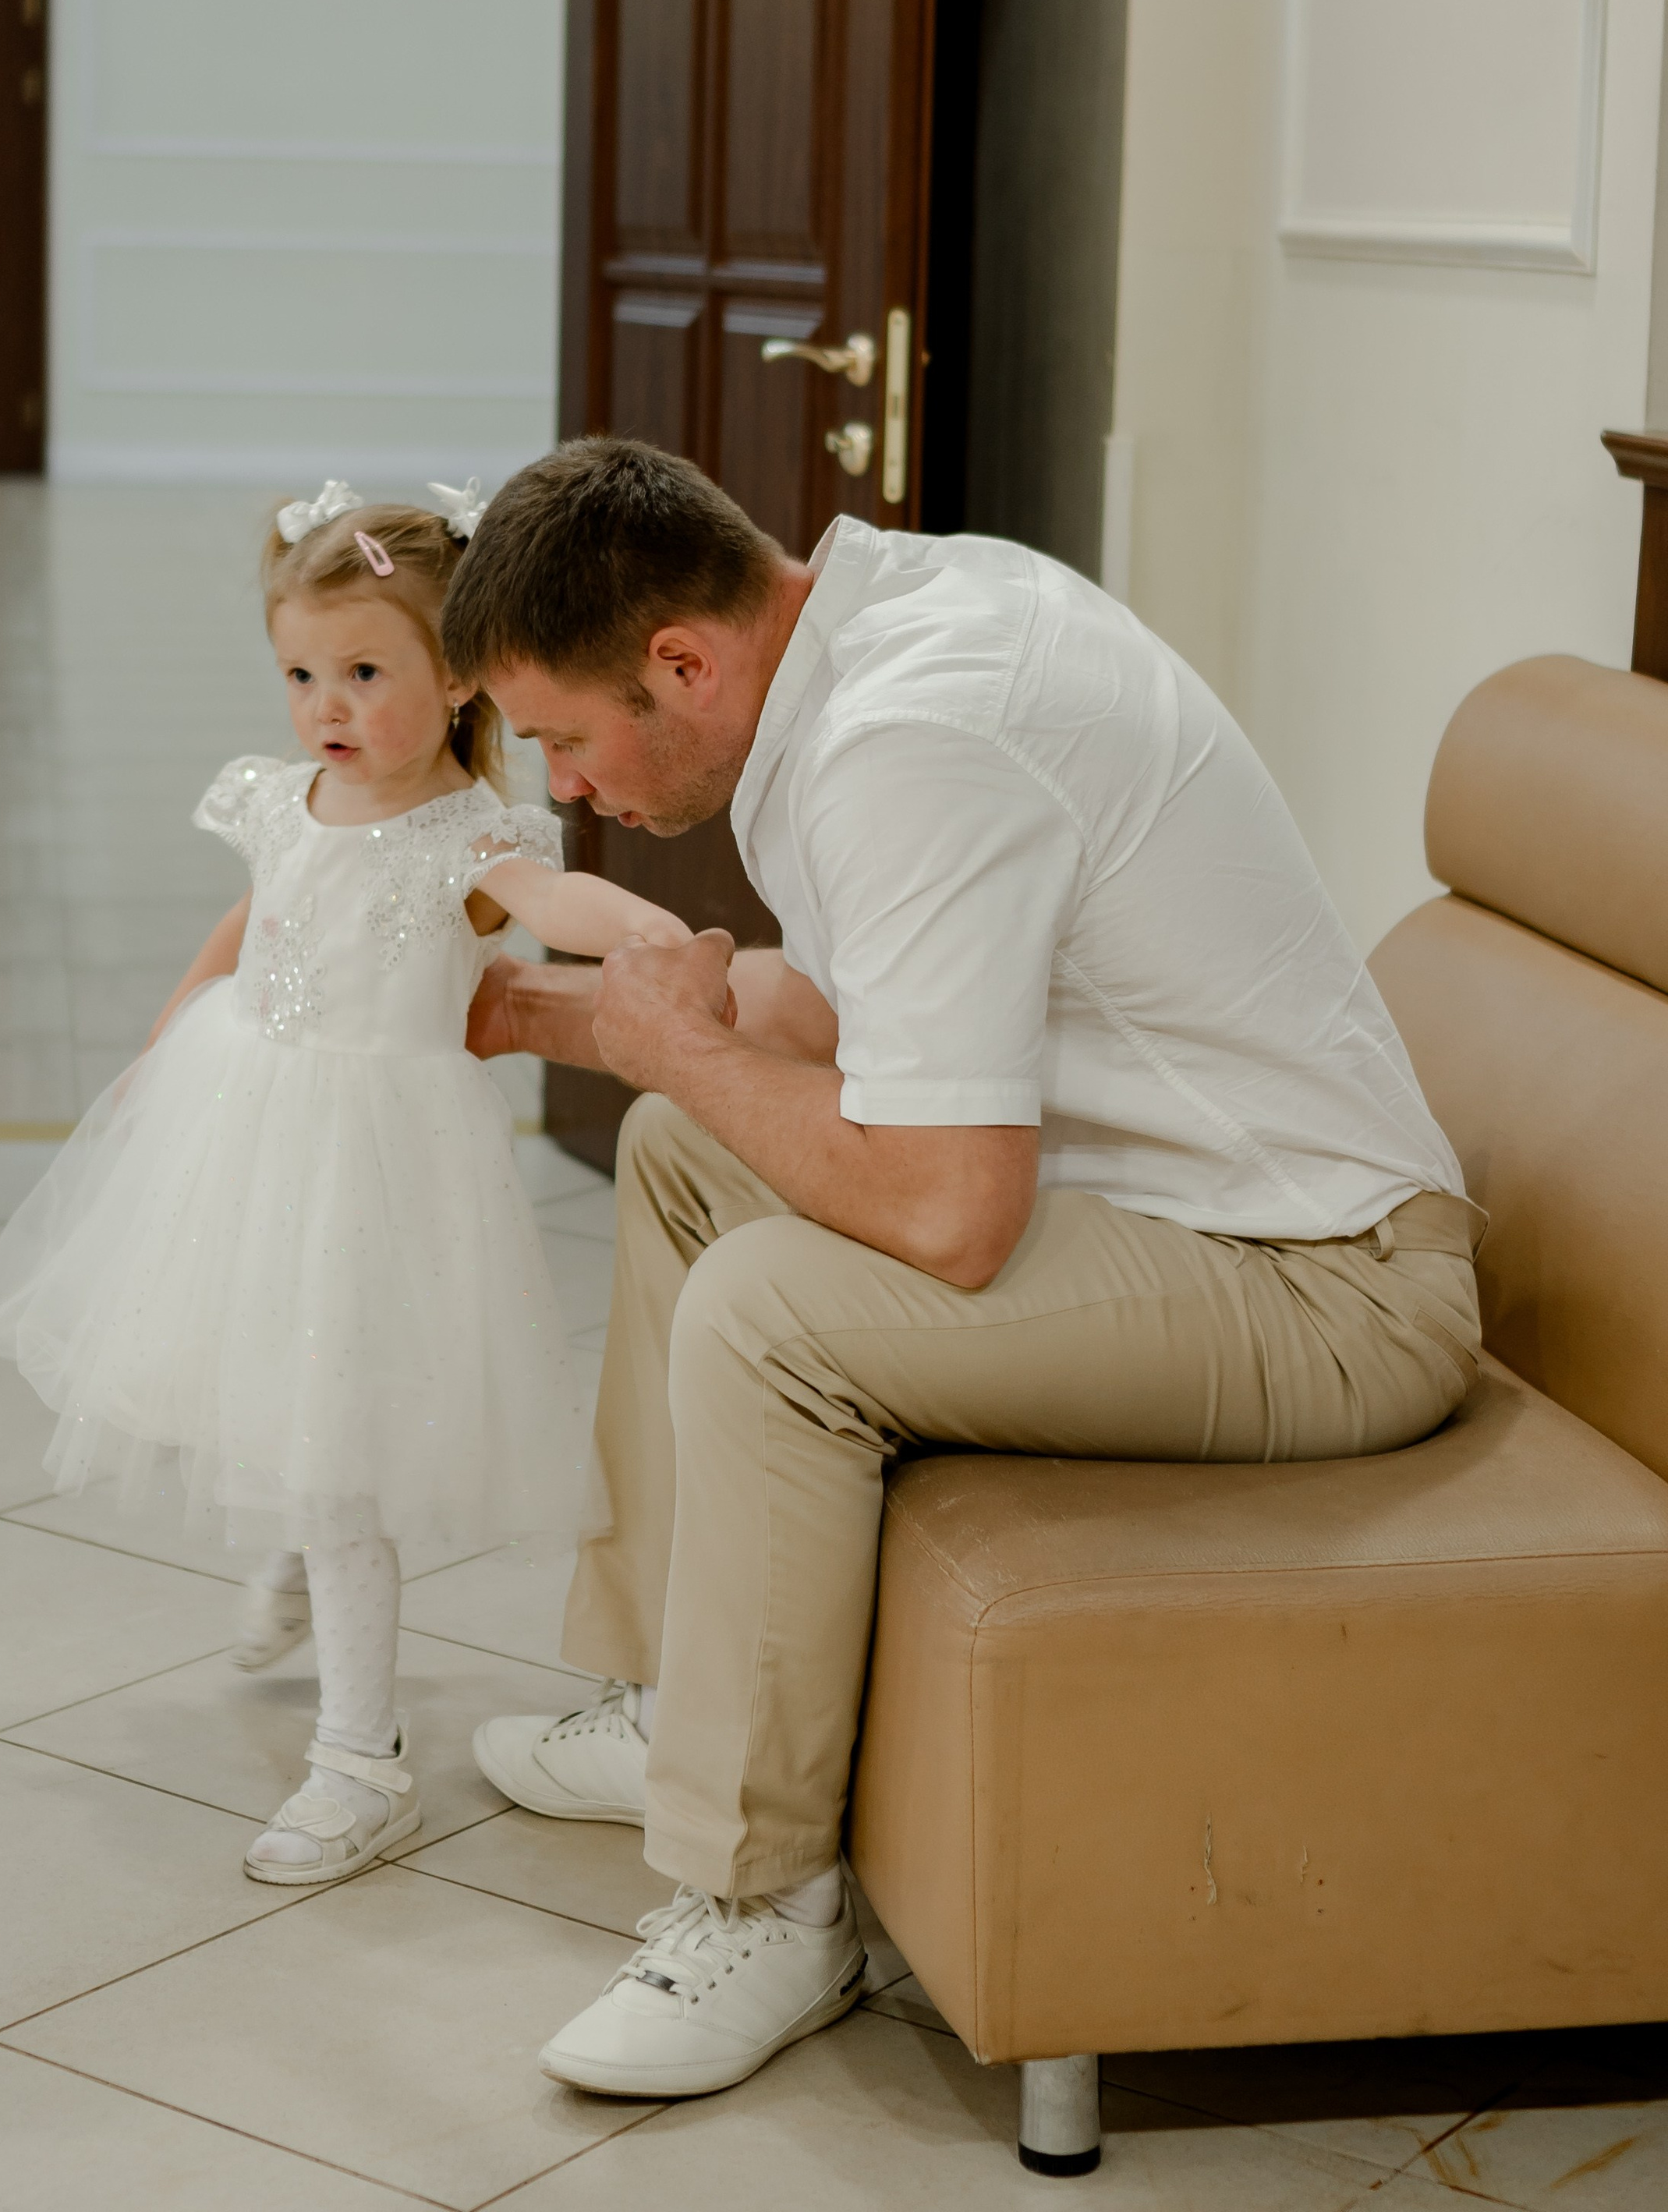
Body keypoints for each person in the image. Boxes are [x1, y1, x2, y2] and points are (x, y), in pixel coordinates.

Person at [439, 438, 1483, 2101]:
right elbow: (854, 1019)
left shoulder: (907, 739)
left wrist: (672, 1051)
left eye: (565, 737)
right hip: (1183, 1211)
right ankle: (675, 1706)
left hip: (1329, 1285)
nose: (565, 788)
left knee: (769, 1314)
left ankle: (761, 1905)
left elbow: (945, 1213)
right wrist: (560, 1016)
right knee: (681, 1152)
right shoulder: (899, 614)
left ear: (681, 664)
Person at [0, 476, 689, 1887]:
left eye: (363, 672)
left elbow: (553, 908)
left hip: (381, 1163)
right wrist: (172, 1031)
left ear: (461, 672)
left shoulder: (469, 835)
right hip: (248, 1112)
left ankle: (364, 1763)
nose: (327, 707)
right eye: (302, 674)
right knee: (280, 1381)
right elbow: (253, 916)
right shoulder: (291, 799)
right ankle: (313, 1554)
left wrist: (650, 934)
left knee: (347, 1445)